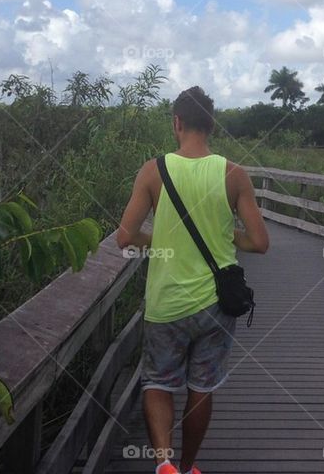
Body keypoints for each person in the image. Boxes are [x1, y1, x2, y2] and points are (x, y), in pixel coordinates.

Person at [116, 86, 270, 474]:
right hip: (216, 305)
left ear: (177, 123)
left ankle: (163, 463)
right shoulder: (233, 173)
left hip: (165, 301)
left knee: (158, 382)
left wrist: (161, 240)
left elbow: (125, 237)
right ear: (212, 125)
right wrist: (224, 232)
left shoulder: (154, 170)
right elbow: (259, 242)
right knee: (201, 387)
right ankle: (188, 467)